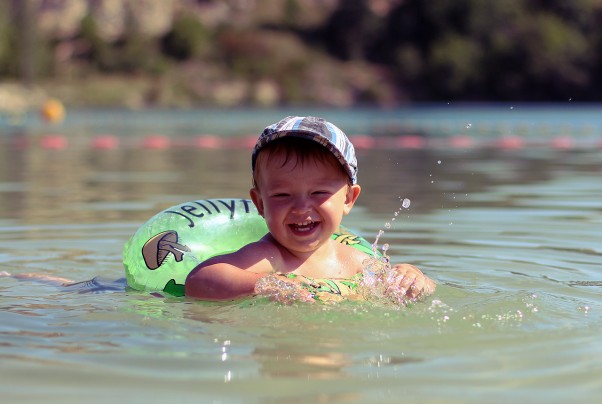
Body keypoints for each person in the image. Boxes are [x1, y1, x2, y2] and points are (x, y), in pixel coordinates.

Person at [185, 116, 436, 302]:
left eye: (319, 193)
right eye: (282, 195)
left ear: (349, 199)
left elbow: (417, 288)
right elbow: (200, 279)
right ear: (260, 203)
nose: (301, 207)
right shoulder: (269, 257)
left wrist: (413, 276)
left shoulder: (356, 259)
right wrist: (266, 284)